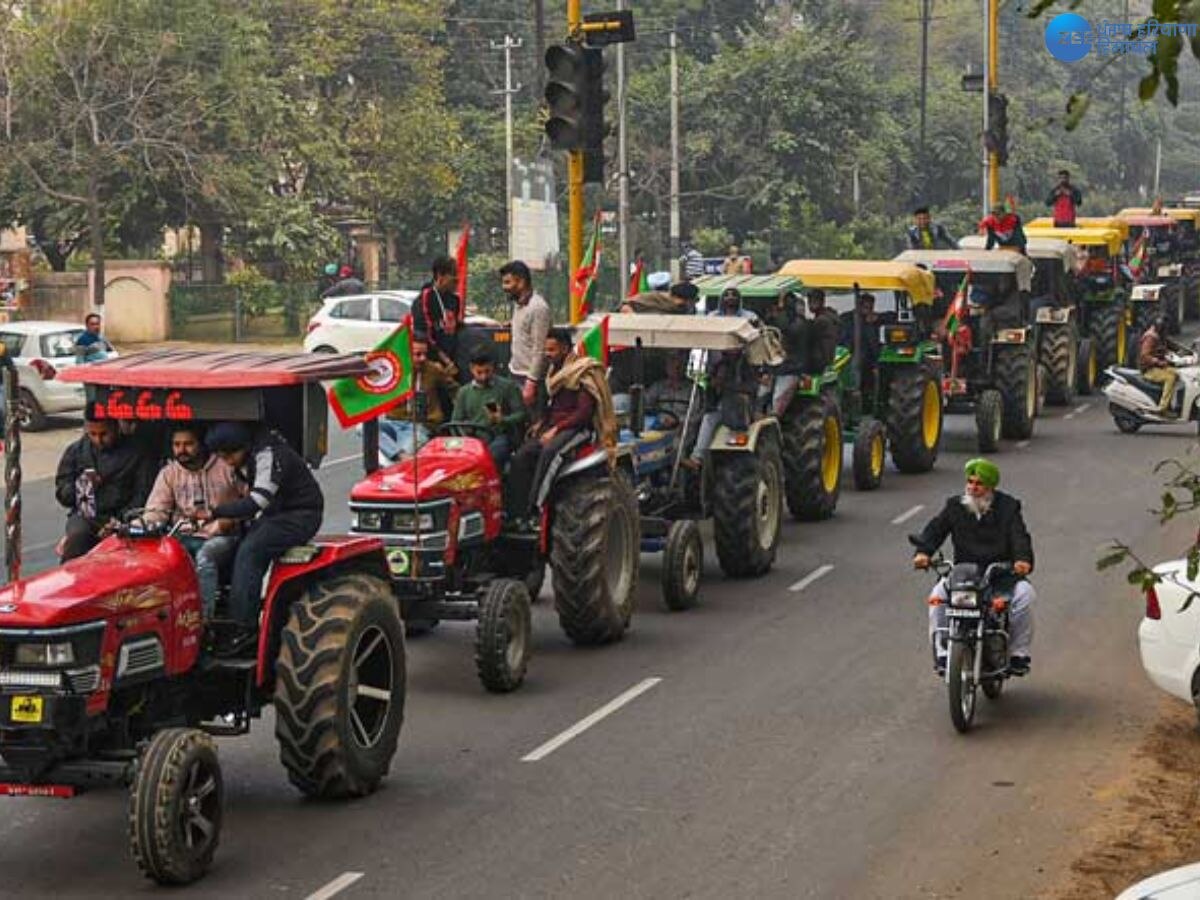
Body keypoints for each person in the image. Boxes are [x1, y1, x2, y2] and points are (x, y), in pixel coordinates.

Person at [198, 423, 324, 655]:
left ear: (243, 447)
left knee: (252, 550)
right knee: (235, 545)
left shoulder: (270, 454)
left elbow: (259, 501)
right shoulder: (247, 456)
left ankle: (244, 628)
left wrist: (215, 512)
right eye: (222, 457)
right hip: (275, 514)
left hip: (300, 514)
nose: (228, 462)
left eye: (230, 455)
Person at [911, 458, 1035, 675]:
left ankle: (1018, 653)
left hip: (999, 574)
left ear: (990, 487)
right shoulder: (955, 506)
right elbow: (935, 530)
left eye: (979, 484)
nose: (973, 488)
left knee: (1025, 595)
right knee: (937, 597)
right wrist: (923, 553)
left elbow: (1019, 537)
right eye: (970, 482)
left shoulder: (1008, 507)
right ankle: (943, 653)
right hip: (963, 574)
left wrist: (1022, 560)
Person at [506, 329, 617, 525]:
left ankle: (536, 509)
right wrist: (542, 422)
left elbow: (583, 413)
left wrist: (556, 429)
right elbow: (551, 405)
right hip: (553, 427)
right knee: (521, 456)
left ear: (565, 348)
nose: (547, 354)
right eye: (546, 350)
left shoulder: (582, 373)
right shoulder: (552, 373)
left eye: (552, 349)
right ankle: (516, 512)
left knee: (550, 454)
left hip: (576, 429)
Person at [143, 424, 242, 618]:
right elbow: (156, 511)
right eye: (176, 444)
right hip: (183, 535)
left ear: (202, 444)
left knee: (205, 557)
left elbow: (249, 503)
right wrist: (142, 526)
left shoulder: (226, 466)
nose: (182, 450)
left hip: (222, 536)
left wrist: (227, 521)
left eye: (188, 444)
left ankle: (203, 619)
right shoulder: (169, 473)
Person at [54, 413, 156, 560]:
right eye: (93, 434)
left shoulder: (137, 452)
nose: (98, 440)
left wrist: (119, 522)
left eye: (104, 434)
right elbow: (63, 495)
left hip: (123, 516)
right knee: (78, 538)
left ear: (115, 427)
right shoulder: (76, 452)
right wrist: (83, 486)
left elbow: (143, 493)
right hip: (85, 516)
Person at [378, 338, 458, 462]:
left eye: (425, 354)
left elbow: (454, 388)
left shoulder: (433, 369)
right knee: (364, 427)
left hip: (419, 425)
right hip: (394, 422)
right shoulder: (394, 370)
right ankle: (399, 456)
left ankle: (399, 460)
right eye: (418, 354)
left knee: (398, 460)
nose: (423, 358)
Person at [450, 347, 526, 468]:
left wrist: (503, 419)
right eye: (479, 372)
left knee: (491, 455)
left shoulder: (507, 387)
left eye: (487, 371)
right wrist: (464, 434)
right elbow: (455, 421)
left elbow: (521, 414)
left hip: (498, 436)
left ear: (493, 367)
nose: (484, 377)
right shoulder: (464, 392)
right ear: (471, 369)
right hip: (472, 438)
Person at [501, 260, 551, 409]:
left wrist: (532, 382)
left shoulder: (538, 308)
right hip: (514, 372)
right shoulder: (519, 304)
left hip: (529, 378)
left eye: (507, 282)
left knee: (533, 425)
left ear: (521, 281)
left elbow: (540, 349)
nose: (504, 288)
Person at [413, 256, 462, 375]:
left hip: (452, 363)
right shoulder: (425, 299)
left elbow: (456, 327)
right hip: (432, 363)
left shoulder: (454, 300)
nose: (457, 279)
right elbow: (424, 335)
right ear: (440, 276)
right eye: (454, 275)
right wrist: (445, 361)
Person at [764, 290, 808, 417]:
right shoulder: (770, 324)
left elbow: (787, 330)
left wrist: (778, 312)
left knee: (777, 401)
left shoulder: (798, 324)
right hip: (771, 368)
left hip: (790, 369)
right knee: (760, 395)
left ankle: (772, 424)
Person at [840, 292, 882, 394]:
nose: (867, 309)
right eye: (865, 306)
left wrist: (877, 318)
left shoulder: (874, 320)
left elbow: (891, 317)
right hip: (849, 357)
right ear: (858, 304)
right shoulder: (846, 318)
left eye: (870, 306)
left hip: (870, 360)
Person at [1138, 316, 1180, 417]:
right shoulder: (1151, 337)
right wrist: (1159, 362)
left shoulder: (1160, 335)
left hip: (1158, 368)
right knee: (1170, 378)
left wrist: (1188, 352)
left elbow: (1173, 345)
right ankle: (1162, 408)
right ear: (1161, 328)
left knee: (1177, 373)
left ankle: (1170, 404)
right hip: (1149, 370)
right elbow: (1144, 356)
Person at [806, 289, 840, 373]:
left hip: (820, 361)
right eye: (809, 302)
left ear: (821, 302)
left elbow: (810, 339)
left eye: (813, 301)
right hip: (828, 358)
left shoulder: (821, 321)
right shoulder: (830, 316)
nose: (810, 305)